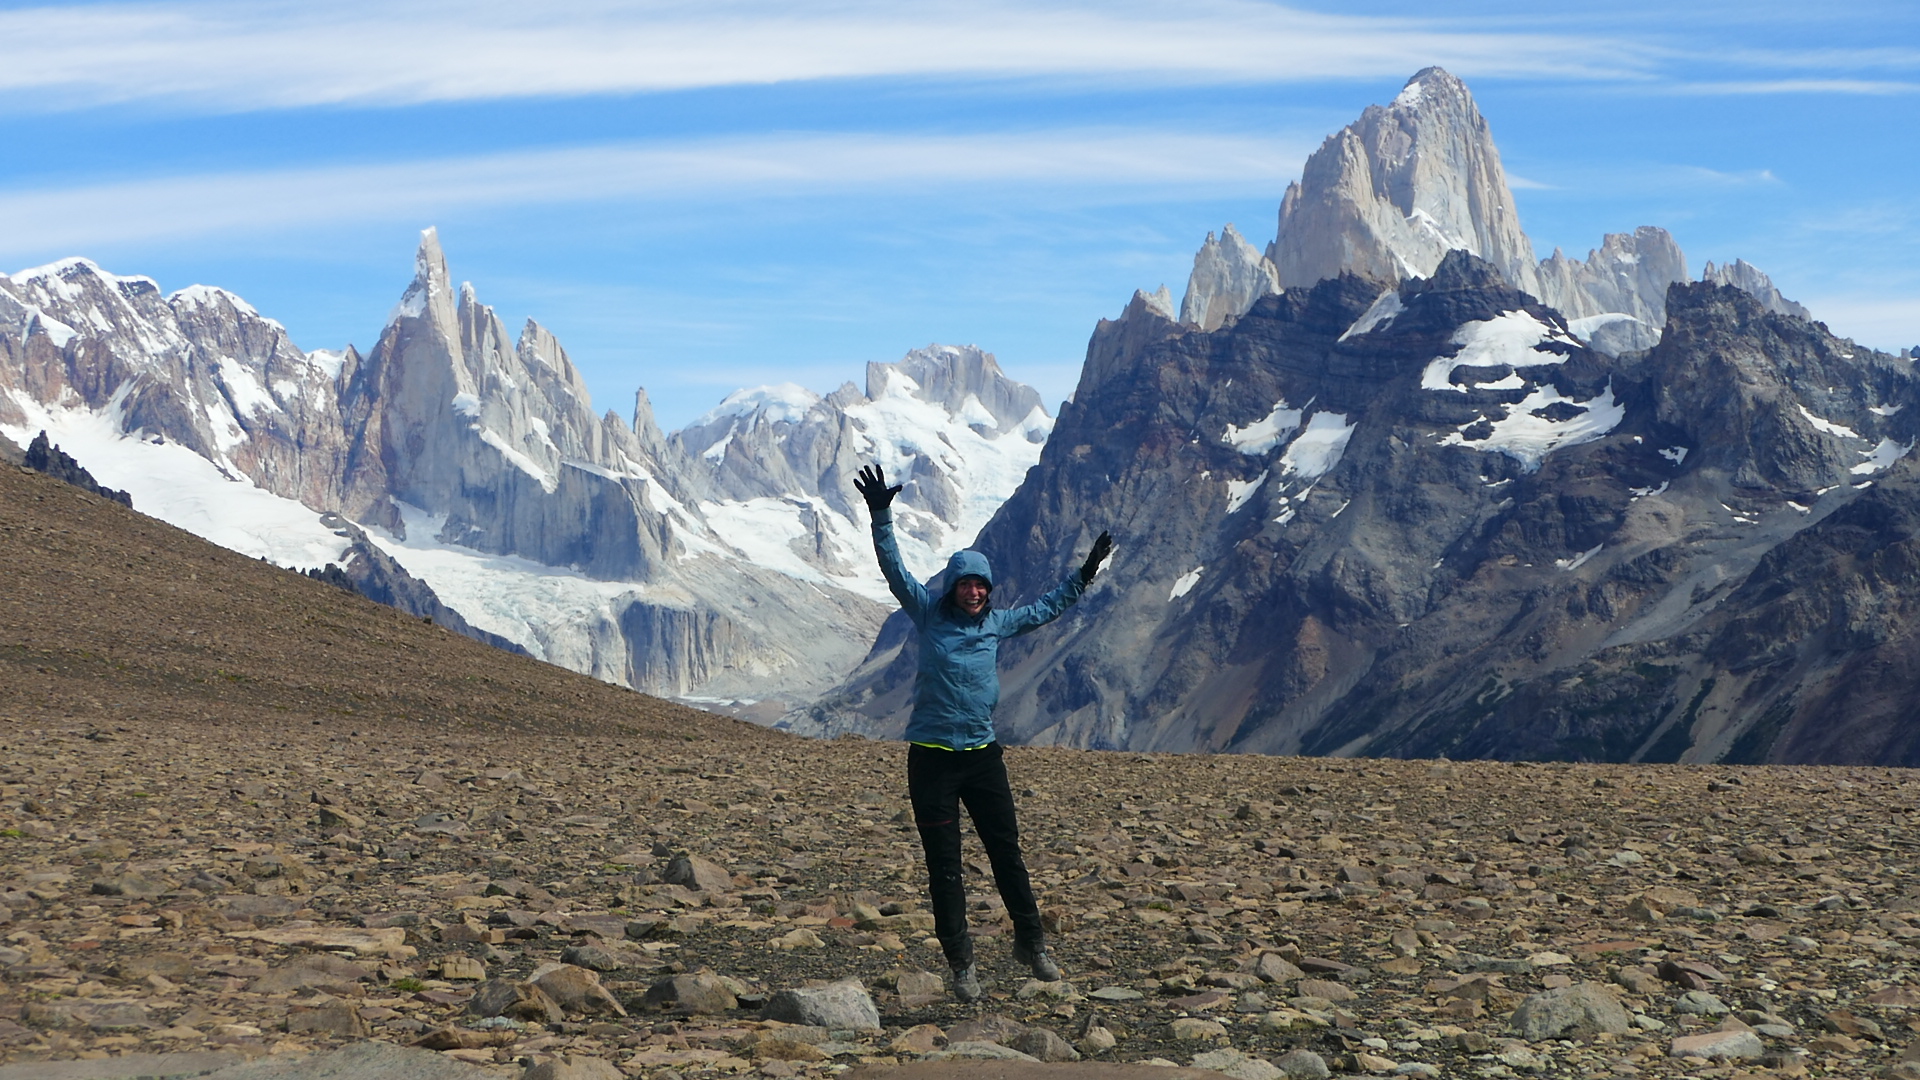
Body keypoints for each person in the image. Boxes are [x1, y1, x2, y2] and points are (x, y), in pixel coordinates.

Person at [854, 463, 1113, 1003]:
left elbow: (1048, 608)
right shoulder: (927, 613)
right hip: (931, 759)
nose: (973, 592)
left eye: (980, 585)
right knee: (944, 866)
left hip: (981, 757)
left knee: (1006, 853)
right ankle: (961, 963)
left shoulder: (998, 623)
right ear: (951, 587)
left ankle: (1031, 942)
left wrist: (1086, 573)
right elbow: (893, 568)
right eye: (965, 583)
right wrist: (881, 515)